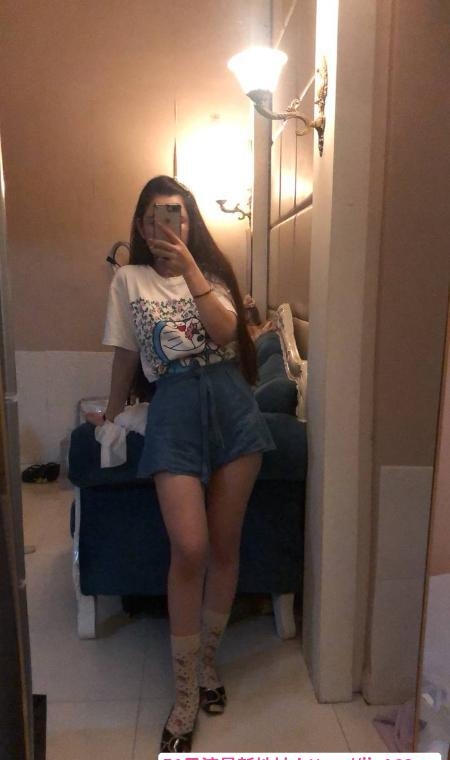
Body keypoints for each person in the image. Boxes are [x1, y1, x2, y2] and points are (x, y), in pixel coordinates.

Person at [85, 175, 274, 751]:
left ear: (189, 219)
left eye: (174, 213)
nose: (162, 225)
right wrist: (111, 415)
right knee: (190, 548)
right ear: (140, 226)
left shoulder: (211, 273)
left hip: (232, 407)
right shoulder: (128, 279)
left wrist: (191, 268)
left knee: (225, 546)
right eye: (151, 217)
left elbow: (227, 331)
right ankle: (186, 690)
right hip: (172, 408)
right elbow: (125, 356)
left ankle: (205, 667)